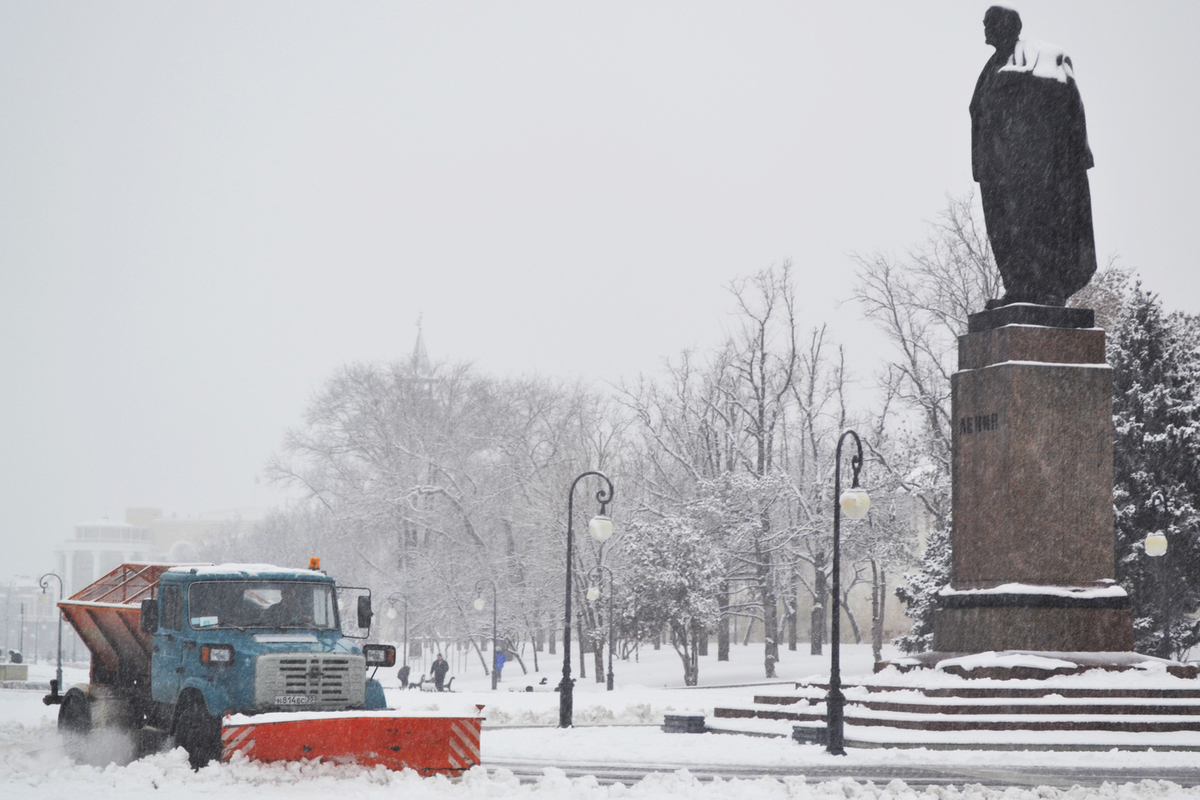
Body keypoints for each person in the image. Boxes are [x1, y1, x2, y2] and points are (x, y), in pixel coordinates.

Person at [970, 6, 1096, 308]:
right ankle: (1020, 287)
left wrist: (1071, 152)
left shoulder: (1042, 57)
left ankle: (1048, 287)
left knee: (1038, 223)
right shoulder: (989, 68)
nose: (985, 30)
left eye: (989, 24)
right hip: (997, 170)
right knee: (1004, 230)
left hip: (1036, 166)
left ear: (1008, 27)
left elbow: (1068, 101)